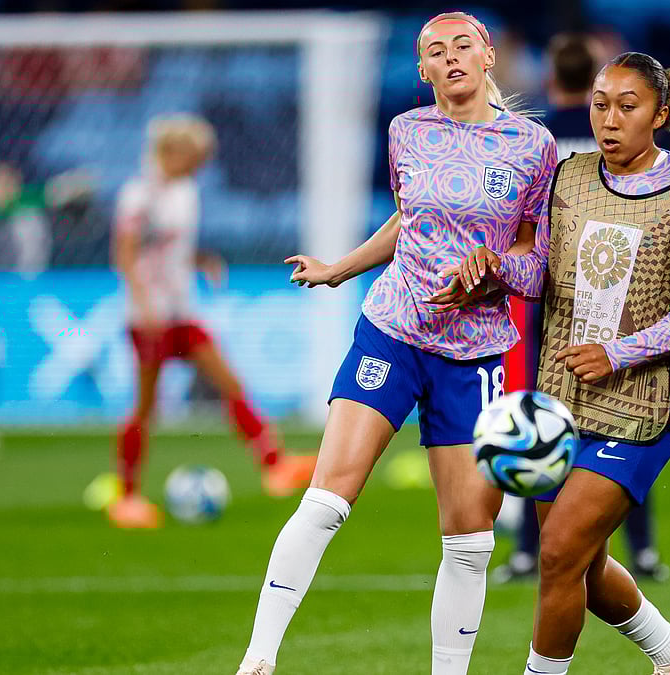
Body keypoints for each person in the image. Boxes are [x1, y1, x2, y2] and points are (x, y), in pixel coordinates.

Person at [235, 12, 557, 675]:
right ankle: (258, 659)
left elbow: (535, 259)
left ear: (489, 54)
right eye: (435, 52)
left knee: (469, 541)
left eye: (463, 45)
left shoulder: (533, 147)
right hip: (394, 329)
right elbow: (411, 220)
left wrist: (493, 272)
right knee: (327, 498)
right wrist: (341, 267)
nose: (451, 58)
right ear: (423, 71)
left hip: (476, 356)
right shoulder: (406, 132)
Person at [444, 51, 670, 675]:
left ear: (659, 112)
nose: (610, 118)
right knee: (582, 562)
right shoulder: (567, 178)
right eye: (601, 104)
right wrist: (493, 268)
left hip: (646, 402)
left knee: (559, 552)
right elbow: (536, 270)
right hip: (560, 397)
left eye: (628, 107)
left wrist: (617, 352)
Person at [494, 33, 669, 586]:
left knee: (540, 419)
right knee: (631, 420)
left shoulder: (540, 136)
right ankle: (641, 551)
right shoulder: (624, 134)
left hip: (552, 294)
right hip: (619, 285)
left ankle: (527, 548)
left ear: (551, 79)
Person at [107, 114, 311, 529]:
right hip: (149, 317)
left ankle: (275, 465)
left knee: (229, 383)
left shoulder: (185, 192)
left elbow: (172, 249)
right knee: (146, 407)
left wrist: (202, 260)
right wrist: (142, 303)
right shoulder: (138, 195)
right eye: (195, 156)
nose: (200, 165)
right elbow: (124, 253)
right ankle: (127, 497)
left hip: (182, 311)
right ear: (172, 151)